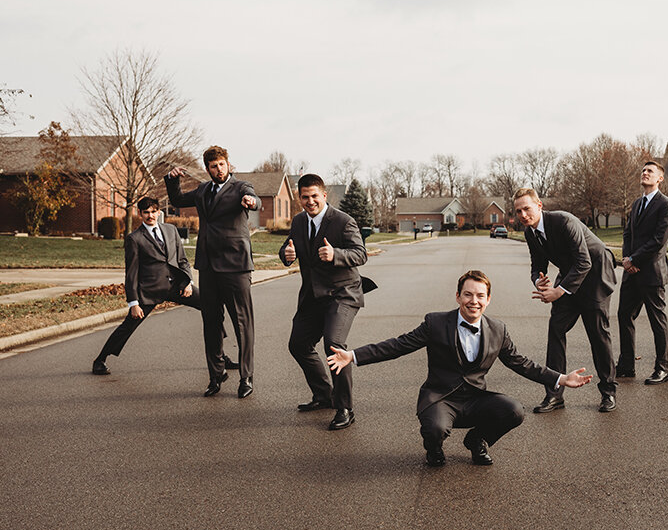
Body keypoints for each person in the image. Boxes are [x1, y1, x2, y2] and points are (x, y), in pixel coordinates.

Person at [326, 270, 592, 466]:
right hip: (440, 398)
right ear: (458, 296)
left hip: (475, 399)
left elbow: (520, 362)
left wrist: (559, 378)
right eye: (468, 294)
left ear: (488, 300)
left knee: (514, 411)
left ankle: (477, 440)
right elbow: (398, 345)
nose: (473, 301)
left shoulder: (498, 329)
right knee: (435, 430)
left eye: (480, 296)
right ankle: (434, 448)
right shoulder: (436, 323)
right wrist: (353, 356)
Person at [91, 197, 236, 375]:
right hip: (149, 291)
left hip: (177, 286)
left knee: (212, 308)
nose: (150, 216)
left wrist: (188, 282)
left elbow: (182, 260)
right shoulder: (134, 239)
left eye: (153, 212)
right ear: (140, 214)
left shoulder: (171, 230)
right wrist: (133, 303)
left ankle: (220, 356)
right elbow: (131, 273)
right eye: (146, 212)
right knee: (128, 326)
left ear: (159, 212)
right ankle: (100, 360)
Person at [166, 145, 260, 398]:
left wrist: (252, 202)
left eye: (221, 164)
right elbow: (176, 200)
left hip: (235, 266)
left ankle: (246, 377)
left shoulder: (241, 187)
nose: (218, 169)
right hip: (208, 265)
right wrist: (172, 180)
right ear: (207, 169)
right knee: (211, 322)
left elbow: (254, 199)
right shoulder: (203, 190)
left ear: (228, 164)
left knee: (242, 323)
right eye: (213, 166)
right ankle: (216, 375)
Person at [513, 188, 617, 413]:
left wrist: (558, 291)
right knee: (556, 329)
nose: (523, 214)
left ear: (539, 205)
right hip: (570, 275)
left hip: (595, 273)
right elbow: (537, 266)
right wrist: (538, 282)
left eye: (527, 208)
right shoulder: (530, 233)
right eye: (518, 211)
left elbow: (584, 262)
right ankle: (554, 394)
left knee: (597, 333)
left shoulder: (564, 221)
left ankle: (608, 392)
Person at [279, 173, 369, 431]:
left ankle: (344, 407)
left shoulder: (342, 221)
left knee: (334, 345)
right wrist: (286, 254)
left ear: (324, 195)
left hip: (342, 294)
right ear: (299, 198)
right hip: (312, 296)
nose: (310, 201)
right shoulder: (298, 222)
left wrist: (336, 254)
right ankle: (324, 395)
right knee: (298, 344)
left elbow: (360, 254)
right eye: (305, 197)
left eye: (315, 196)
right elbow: (289, 247)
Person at [617, 161, 668, 384]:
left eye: (650, 171)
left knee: (657, 321)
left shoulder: (666, 205)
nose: (645, 173)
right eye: (643, 170)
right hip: (631, 272)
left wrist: (635, 258)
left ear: (660, 178)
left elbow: (659, 240)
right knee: (624, 315)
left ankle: (662, 368)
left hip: (652, 272)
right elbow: (627, 234)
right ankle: (626, 365)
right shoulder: (637, 203)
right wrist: (627, 259)